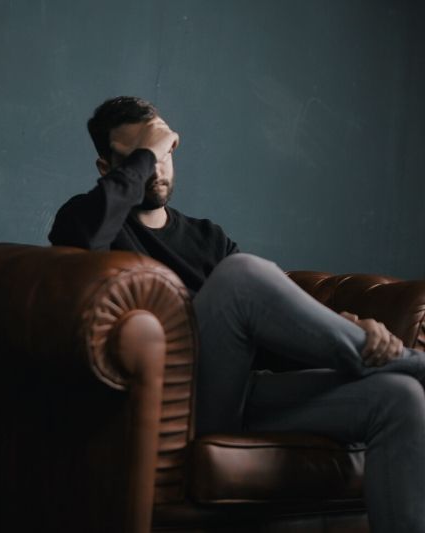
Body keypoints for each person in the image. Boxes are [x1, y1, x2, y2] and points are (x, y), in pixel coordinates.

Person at [48, 96, 425, 532]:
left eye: (164, 150)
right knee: (241, 275)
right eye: (138, 155)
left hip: (240, 396)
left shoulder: (208, 238)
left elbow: (265, 337)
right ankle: (409, 362)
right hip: (175, 408)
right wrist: (148, 152)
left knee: (401, 399)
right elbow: (79, 242)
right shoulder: (87, 220)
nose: (156, 167)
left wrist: (345, 329)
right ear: (106, 168)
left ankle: (389, 362)